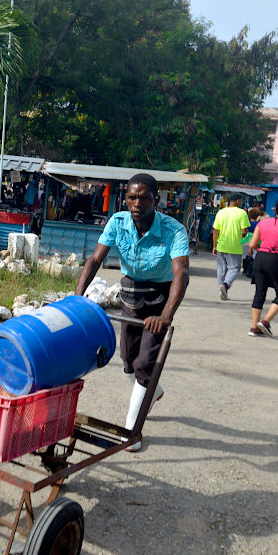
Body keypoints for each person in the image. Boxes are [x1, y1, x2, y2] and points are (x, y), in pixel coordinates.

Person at [76, 173, 189, 452]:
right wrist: (76, 297)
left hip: (158, 302)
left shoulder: (174, 230)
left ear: (156, 199)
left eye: (144, 197)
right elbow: (94, 260)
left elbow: (182, 274)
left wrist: (166, 316)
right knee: (127, 360)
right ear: (125, 198)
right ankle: (153, 390)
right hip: (130, 299)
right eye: (131, 197)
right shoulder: (118, 222)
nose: (137, 203)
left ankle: (131, 432)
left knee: (144, 366)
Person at [246, 197, 278, 337]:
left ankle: (254, 328)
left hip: (261, 257)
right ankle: (266, 322)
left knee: (259, 292)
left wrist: (262, 248)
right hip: (277, 260)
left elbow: (252, 245)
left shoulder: (262, 224)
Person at [212, 194, 250, 301]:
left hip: (221, 244)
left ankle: (222, 293)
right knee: (234, 268)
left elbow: (215, 231)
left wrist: (215, 245)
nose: (241, 202)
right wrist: (247, 240)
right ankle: (226, 285)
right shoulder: (242, 213)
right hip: (235, 246)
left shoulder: (221, 212)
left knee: (221, 270)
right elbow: (244, 231)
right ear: (237, 201)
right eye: (241, 200)